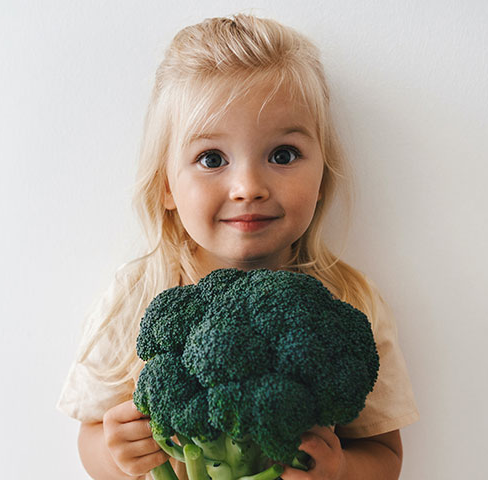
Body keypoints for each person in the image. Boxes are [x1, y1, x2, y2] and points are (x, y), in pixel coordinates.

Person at [57, 13, 419, 480]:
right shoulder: (136, 294)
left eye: (282, 155)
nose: (248, 186)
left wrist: (342, 469)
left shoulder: (351, 302)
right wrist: (115, 453)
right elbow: (89, 436)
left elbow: (385, 454)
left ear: (323, 176)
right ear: (166, 186)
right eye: (211, 159)